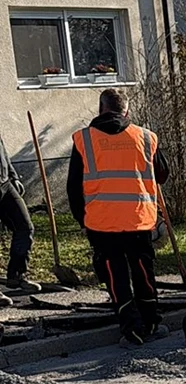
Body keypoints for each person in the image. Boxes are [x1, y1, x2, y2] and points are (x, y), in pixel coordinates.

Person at [67, 89, 171, 347]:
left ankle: (132, 329)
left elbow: (73, 187)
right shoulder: (145, 137)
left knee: (115, 275)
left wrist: (82, 220)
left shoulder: (84, 139)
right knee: (143, 270)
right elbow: (162, 174)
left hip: (102, 223)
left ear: (100, 109)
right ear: (126, 111)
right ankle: (151, 321)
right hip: (139, 218)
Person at [0, 134, 42, 307]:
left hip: (4, 184)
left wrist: (13, 176)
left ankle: (17, 275)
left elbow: (2, 151)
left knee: (25, 227)